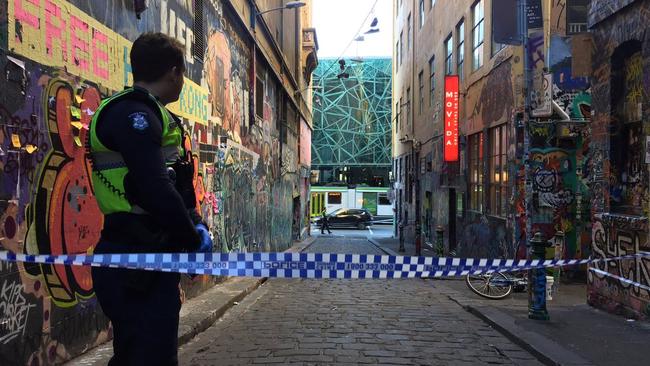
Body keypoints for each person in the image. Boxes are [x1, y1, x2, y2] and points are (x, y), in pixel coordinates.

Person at [88, 33, 212, 366]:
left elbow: (175, 181)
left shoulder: (151, 113)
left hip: (146, 255)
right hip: (133, 255)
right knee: (148, 357)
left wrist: (194, 223)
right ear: (174, 72)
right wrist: (190, 237)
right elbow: (154, 186)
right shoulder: (134, 115)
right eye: (183, 74)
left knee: (140, 354)